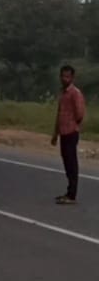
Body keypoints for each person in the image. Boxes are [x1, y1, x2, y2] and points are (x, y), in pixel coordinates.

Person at [51, 65, 86, 205]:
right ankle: (69, 192)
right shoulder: (63, 94)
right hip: (63, 133)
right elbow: (58, 115)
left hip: (71, 132)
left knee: (71, 163)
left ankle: (72, 195)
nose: (64, 79)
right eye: (62, 76)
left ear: (72, 77)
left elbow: (80, 113)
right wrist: (55, 134)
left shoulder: (75, 93)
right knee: (66, 161)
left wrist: (73, 125)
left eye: (67, 76)